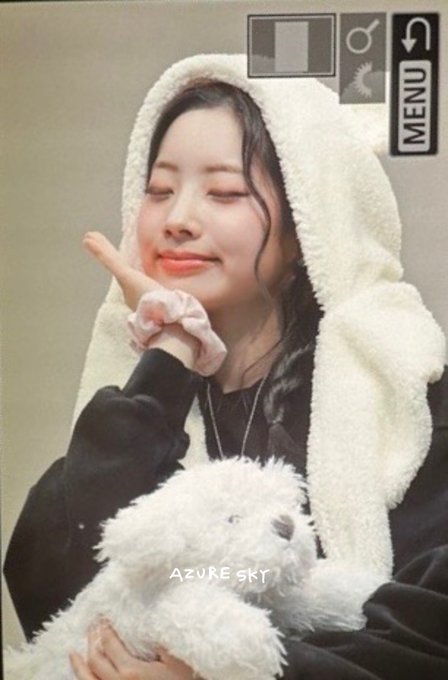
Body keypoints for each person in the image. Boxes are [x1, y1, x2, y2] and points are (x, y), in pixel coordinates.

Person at [4, 54, 448, 680]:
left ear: (306, 227)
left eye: (225, 192)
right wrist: (171, 353)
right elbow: (52, 585)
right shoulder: (148, 400)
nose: (177, 220)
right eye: (160, 190)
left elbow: (430, 636)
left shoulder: (398, 394)